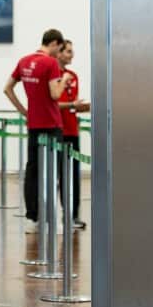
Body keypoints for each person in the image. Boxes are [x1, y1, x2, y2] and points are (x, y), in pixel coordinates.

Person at [4, 29, 69, 234]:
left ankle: (33, 218)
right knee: (54, 173)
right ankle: (52, 220)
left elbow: (7, 89)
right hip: (51, 126)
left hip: (34, 125)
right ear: (55, 43)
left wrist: (25, 112)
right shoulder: (50, 64)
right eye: (60, 48)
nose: (60, 53)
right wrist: (65, 80)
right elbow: (55, 94)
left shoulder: (24, 61)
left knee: (32, 172)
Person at [57, 40, 90, 230]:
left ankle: (73, 215)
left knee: (73, 176)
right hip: (58, 132)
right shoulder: (55, 77)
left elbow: (71, 104)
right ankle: (54, 215)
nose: (72, 55)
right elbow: (53, 104)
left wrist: (80, 107)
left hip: (72, 131)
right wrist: (72, 105)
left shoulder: (74, 76)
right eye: (68, 51)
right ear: (59, 53)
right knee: (57, 175)